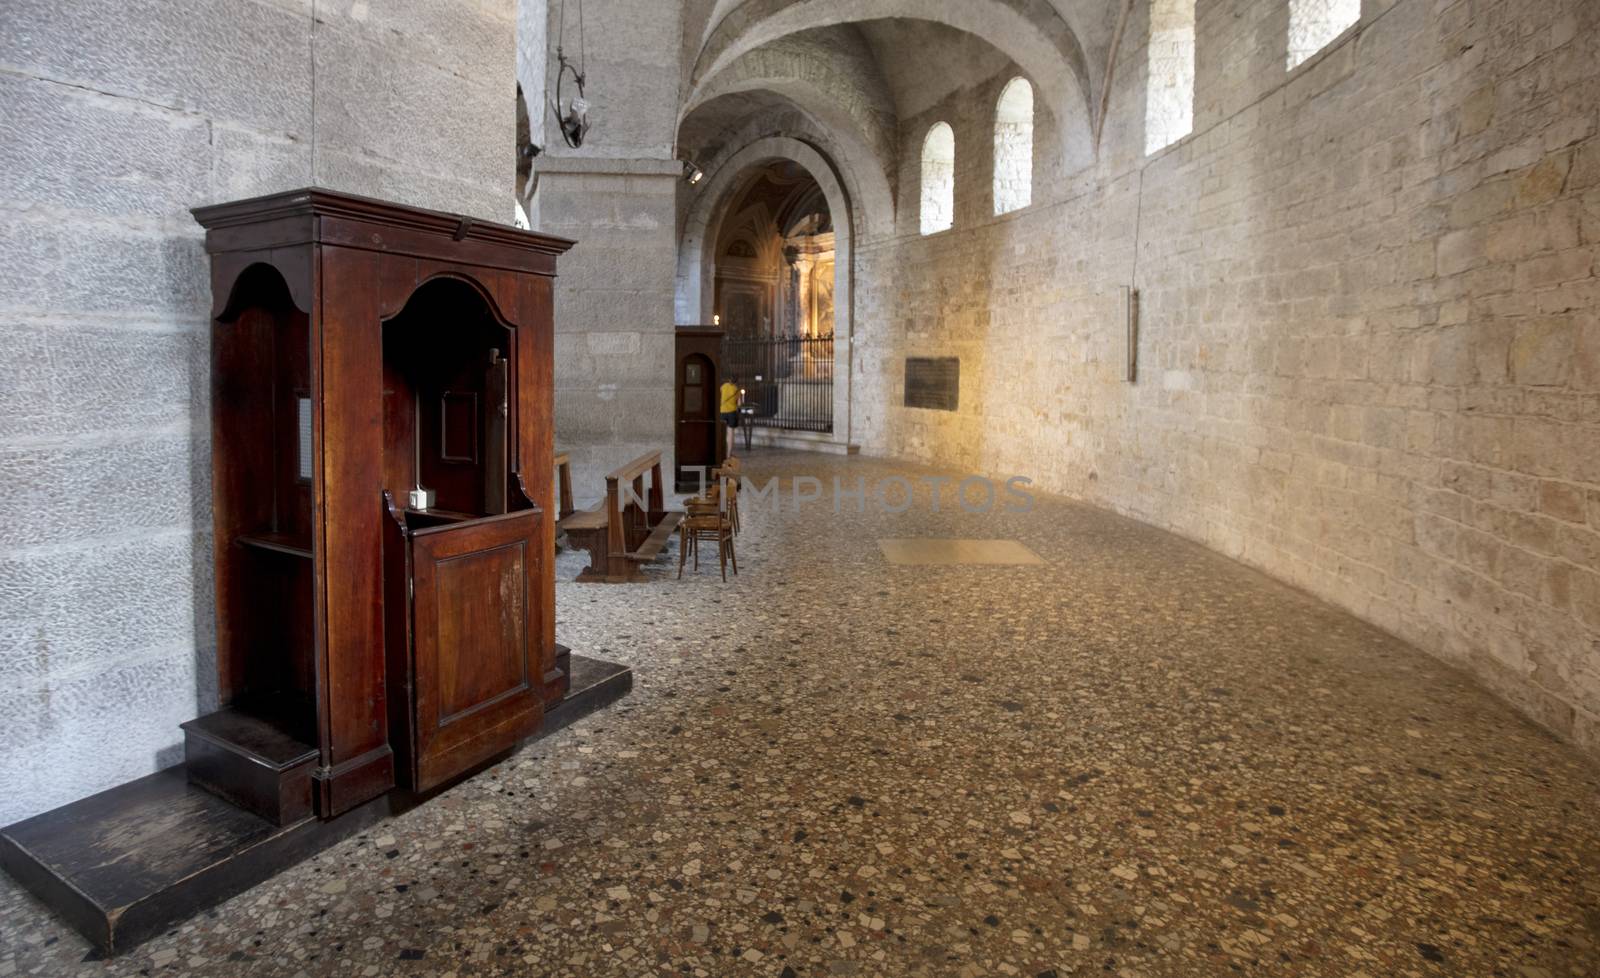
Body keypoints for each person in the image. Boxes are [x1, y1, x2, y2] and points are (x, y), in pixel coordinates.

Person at [719, 375, 741, 458]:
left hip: (722, 412)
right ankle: (728, 454)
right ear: (736, 381)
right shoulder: (736, 389)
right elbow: (739, 404)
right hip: (732, 412)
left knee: (722, 433)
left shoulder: (723, 386)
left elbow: (719, 396)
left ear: (729, 380)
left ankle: (721, 453)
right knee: (730, 434)